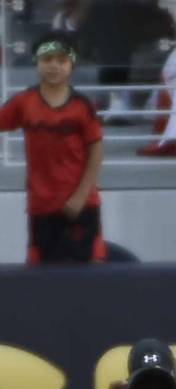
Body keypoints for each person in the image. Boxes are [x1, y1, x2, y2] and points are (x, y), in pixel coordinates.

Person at [0, 32, 105, 264]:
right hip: (41, 206)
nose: (53, 66)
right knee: (42, 277)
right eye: (47, 60)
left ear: (72, 64)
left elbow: (96, 151)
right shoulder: (23, 102)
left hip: (80, 206)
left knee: (90, 275)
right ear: (37, 63)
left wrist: (79, 197)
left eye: (61, 60)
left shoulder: (83, 106)